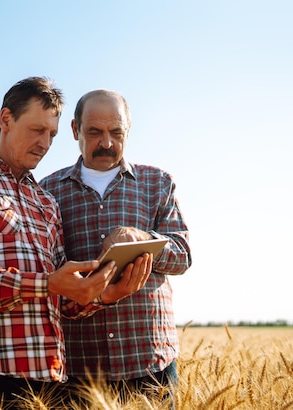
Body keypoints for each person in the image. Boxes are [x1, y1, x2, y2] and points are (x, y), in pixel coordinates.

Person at [0, 77, 150, 409]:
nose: (45, 143)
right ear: (6, 120)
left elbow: (61, 295)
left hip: (48, 381)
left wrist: (103, 295)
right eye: (37, 130)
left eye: (52, 134)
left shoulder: (45, 201)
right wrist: (46, 283)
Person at [40, 89, 192, 408]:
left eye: (116, 132)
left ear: (128, 130)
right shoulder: (47, 191)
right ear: (74, 130)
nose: (107, 143)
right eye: (95, 132)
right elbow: (46, 274)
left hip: (150, 363)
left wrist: (139, 238)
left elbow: (183, 256)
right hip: (79, 368)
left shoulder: (158, 182)